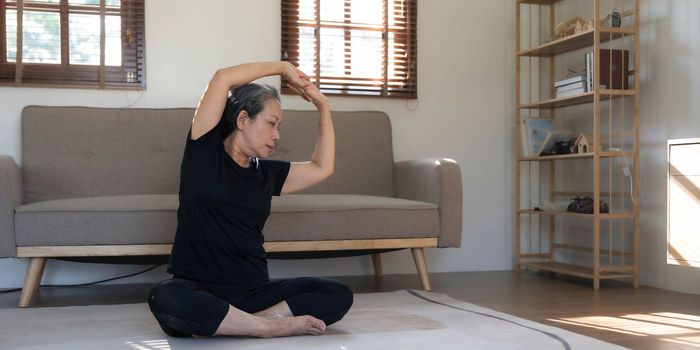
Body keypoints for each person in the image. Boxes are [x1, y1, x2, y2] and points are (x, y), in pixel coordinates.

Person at [147, 62, 353, 338]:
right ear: (243, 120)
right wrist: (282, 68)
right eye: (271, 124)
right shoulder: (204, 154)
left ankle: (253, 321)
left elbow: (321, 167)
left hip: (254, 292)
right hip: (200, 289)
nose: (277, 135)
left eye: (278, 127)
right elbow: (222, 78)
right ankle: (266, 326)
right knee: (165, 297)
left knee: (337, 293)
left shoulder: (266, 174)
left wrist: (323, 105)